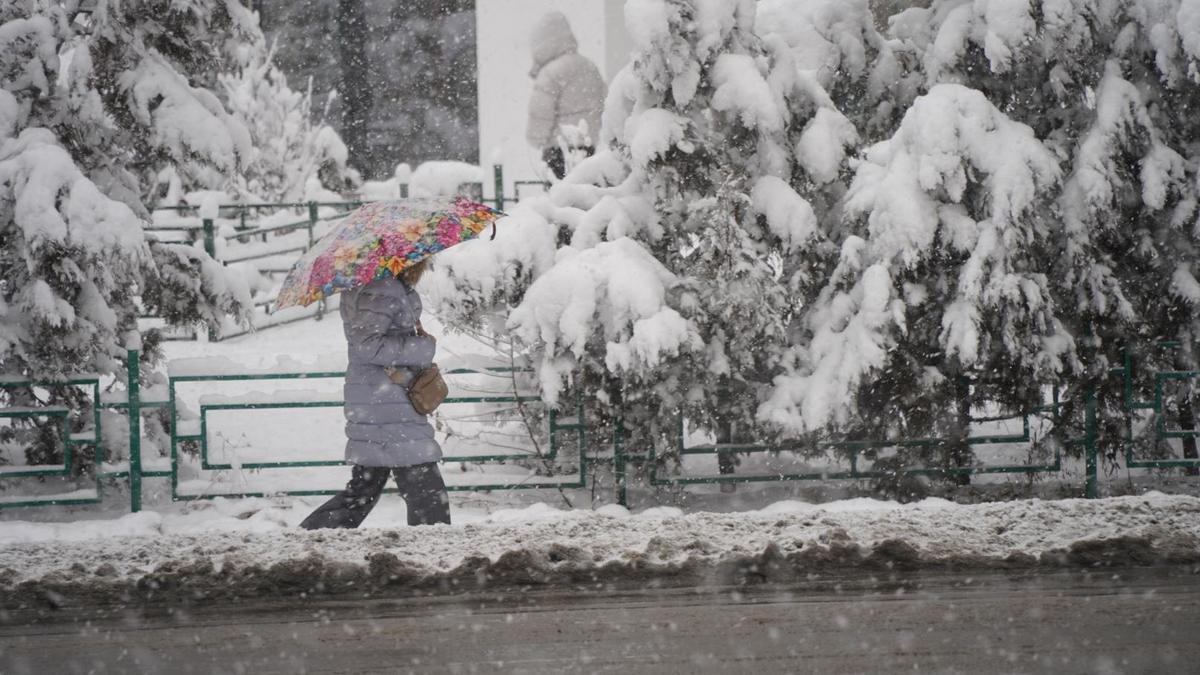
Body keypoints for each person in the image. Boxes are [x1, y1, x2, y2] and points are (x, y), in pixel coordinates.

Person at [300, 259, 451, 529]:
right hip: (388, 403)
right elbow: (369, 346)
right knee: (426, 492)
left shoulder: (373, 285)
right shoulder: (382, 288)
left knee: (363, 491)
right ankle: (435, 547)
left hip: (379, 399)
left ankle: (312, 537)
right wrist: (421, 347)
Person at [525, 11, 607, 179]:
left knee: (560, 191)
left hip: (558, 149)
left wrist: (536, 139)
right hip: (587, 146)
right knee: (584, 188)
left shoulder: (550, 73)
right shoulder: (590, 67)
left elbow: (541, 113)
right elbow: (604, 103)